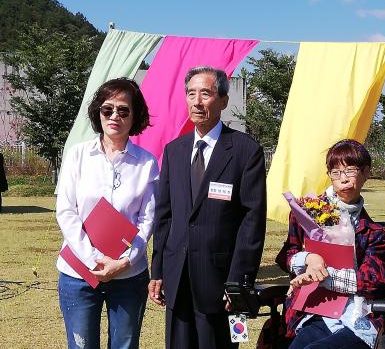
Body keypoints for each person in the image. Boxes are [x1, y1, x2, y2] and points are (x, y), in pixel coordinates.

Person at [149, 66, 267, 349]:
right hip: (178, 277)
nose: (197, 102)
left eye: (206, 93)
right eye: (191, 93)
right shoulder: (174, 150)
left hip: (220, 280)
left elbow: (252, 220)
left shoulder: (244, 150)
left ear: (223, 101)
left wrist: (239, 280)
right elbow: (164, 216)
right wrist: (158, 270)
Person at [56, 78, 159, 349]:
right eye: (107, 109)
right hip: (78, 273)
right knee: (80, 344)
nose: (115, 116)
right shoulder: (78, 155)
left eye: (123, 110)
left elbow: (147, 219)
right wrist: (93, 259)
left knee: (125, 345)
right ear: (98, 112)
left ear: (135, 116)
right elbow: (66, 211)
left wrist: (124, 261)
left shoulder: (147, 163)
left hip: (128, 275)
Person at [276, 139, 385, 349]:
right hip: (315, 311)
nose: (343, 180)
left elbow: (372, 279)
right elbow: (286, 254)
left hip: (355, 316)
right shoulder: (307, 213)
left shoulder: (374, 233)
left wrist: (324, 276)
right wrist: (309, 259)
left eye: (350, 171)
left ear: (366, 173)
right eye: (335, 172)